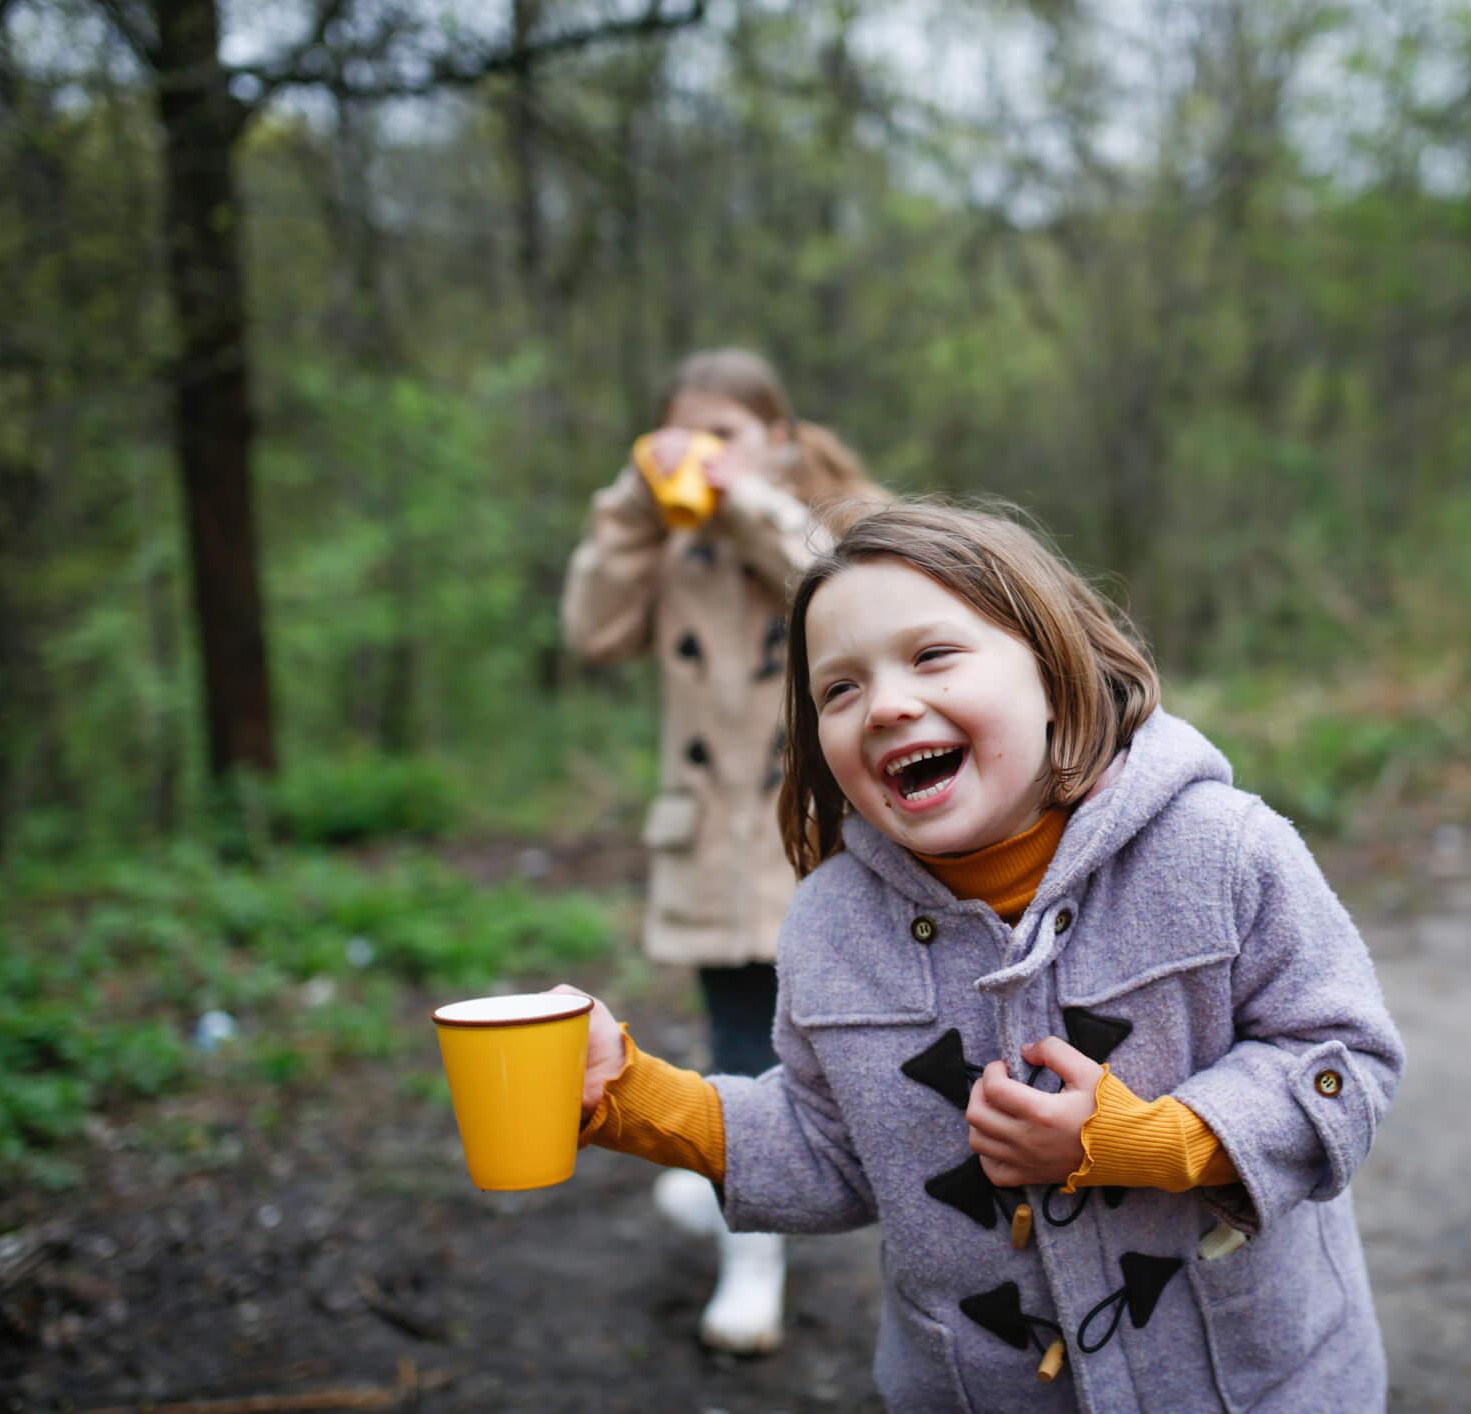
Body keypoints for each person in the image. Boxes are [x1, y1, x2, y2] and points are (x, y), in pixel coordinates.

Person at [557, 502, 1405, 1409]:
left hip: (1248, 1381)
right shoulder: (830, 928)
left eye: (931, 656)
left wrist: (1157, 1142)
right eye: (837, 690)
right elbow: (827, 1150)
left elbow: (1343, 1060)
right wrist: (631, 1100)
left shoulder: (1219, 851)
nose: (884, 704)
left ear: (1052, 668)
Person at [559, 348, 882, 1353]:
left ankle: (786, 1202)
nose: (704, 457)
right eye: (683, 437)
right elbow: (592, 630)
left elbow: (833, 590)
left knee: (833, 1027)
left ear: (779, 438)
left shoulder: (847, 518)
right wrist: (630, 501)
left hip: (820, 828)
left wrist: (747, 501)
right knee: (740, 1026)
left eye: (726, 435)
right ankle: (755, 1231)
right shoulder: (669, 537)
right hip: (708, 834)